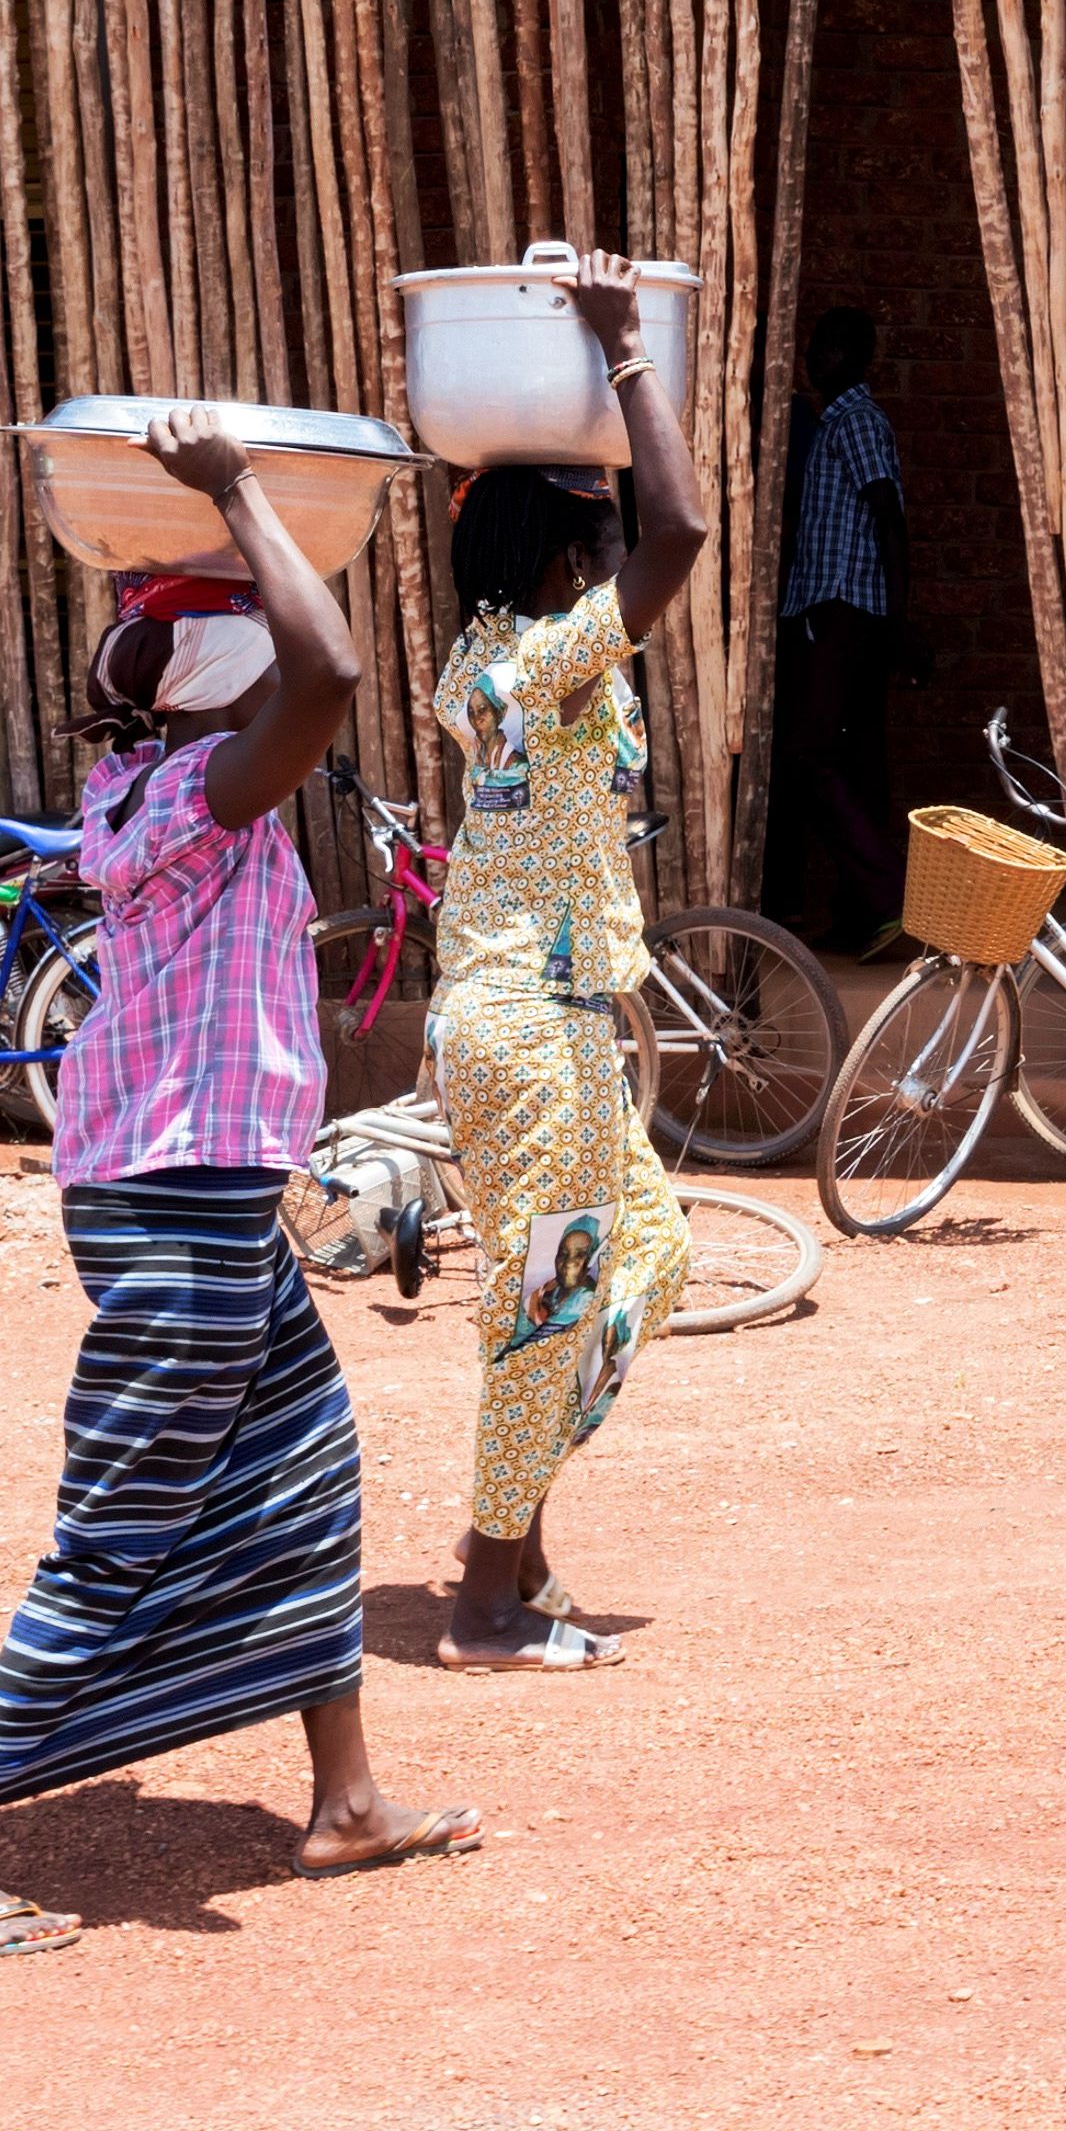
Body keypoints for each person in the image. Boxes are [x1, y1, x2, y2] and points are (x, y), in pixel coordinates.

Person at [0, 405, 476, 1960]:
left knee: (305, 1461)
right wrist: (233, 493)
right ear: (232, 699)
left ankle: (343, 1798)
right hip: (182, 1192)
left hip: (181, 1181)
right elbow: (327, 670)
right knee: (126, 1511)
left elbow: (293, 670)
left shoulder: (141, 791)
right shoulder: (211, 788)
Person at [425, 249, 708, 1673]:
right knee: (548, 1292)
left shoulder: (496, 652)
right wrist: (622, 351)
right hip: (530, 1022)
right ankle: (487, 1594)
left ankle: (513, 1532)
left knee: (643, 1257)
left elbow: (643, 537)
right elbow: (687, 530)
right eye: (589, 538)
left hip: (547, 1016)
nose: (614, 557)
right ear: (551, 557)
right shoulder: (537, 661)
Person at [771, 305, 914, 954]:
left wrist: (894, 618)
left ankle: (890, 896)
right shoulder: (832, 422)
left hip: (844, 609)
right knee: (849, 763)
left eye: (834, 346)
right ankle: (865, 914)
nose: (817, 356)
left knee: (808, 754)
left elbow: (889, 516)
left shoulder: (856, 420)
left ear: (860, 358)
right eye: (815, 344)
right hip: (829, 609)